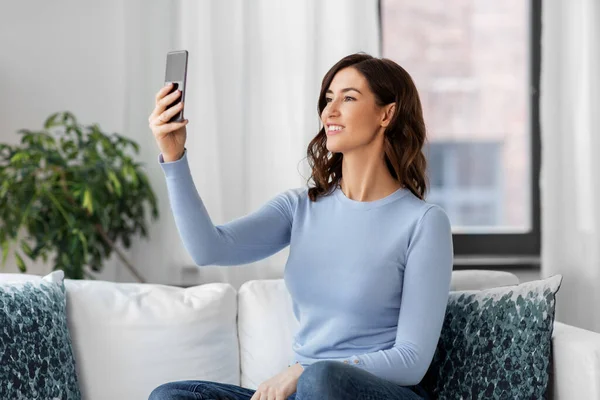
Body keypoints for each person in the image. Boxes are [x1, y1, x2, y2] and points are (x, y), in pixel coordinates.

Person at [147, 53, 453, 400]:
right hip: (305, 391)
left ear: (387, 113)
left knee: (321, 381)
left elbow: (411, 361)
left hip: (374, 393)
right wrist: (174, 157)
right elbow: (208, 249)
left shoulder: (424, 223)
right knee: (171, 396)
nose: (329, 111)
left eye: (348, 98)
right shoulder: (299, 208)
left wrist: (307, 371)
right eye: (327, 99)